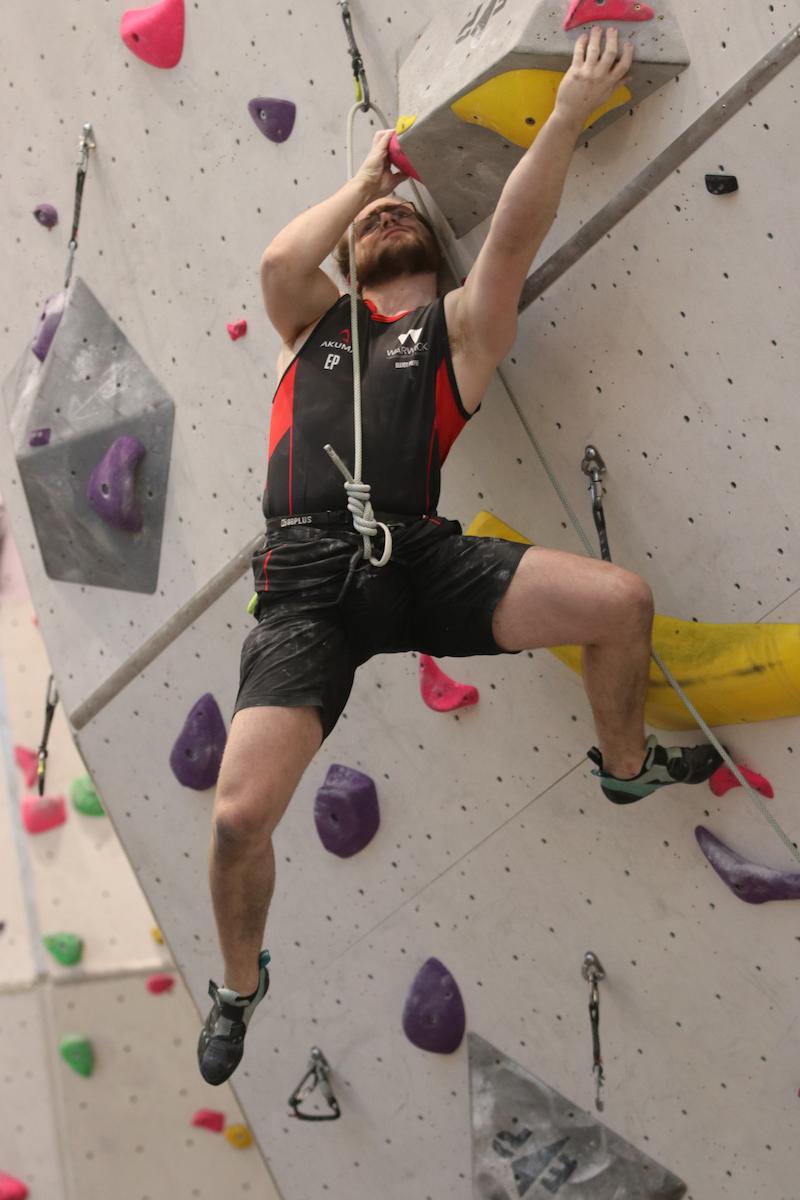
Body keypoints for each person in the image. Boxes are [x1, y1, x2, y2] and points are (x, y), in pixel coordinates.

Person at [197, 27, 721, 1086]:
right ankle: (239, 984)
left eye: (401, 216)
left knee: (620, 602)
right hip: (304, 589)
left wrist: (567, 112)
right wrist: (367, 178)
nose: (386, 222)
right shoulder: (319, 329)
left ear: (430, 251)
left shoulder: (454, 332)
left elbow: (513, 241)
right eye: (370, 224)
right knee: (239, 815)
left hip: (419, 561)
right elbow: (276, 263)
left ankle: (623, 768)